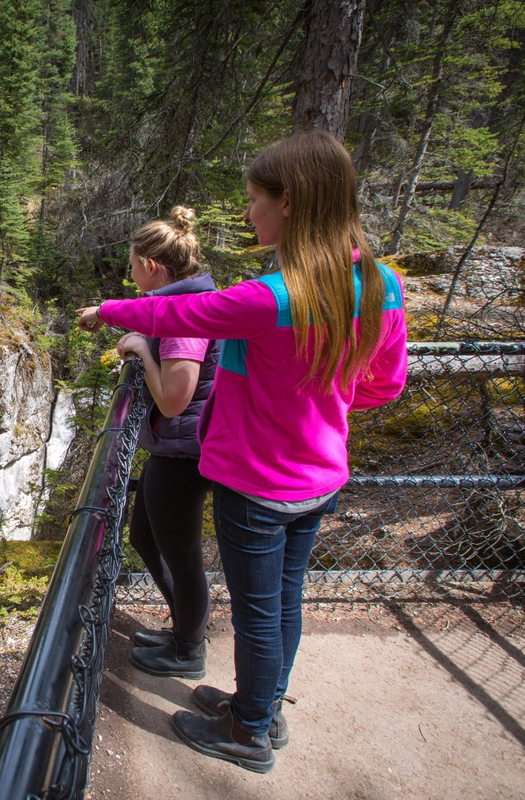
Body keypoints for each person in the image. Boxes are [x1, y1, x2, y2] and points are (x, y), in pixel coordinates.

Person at [77, 130, 408, 774]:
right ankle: (261, 705)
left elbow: (186, 314)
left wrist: (109, 312)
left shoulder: (273, 298)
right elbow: (384, 385)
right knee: (284, 601)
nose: (248, 212)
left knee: (258, 612)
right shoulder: (383, 284)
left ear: (289, 203)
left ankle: (249, 730)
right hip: (318, 474)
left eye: (256, 199)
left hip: (254, 478)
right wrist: (320, 402)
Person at [113, 206, 218, 681]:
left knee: (181, 554)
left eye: (132, 265)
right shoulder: (178, 306)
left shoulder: (183, 315)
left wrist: (139, 350)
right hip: (175, 447)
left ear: (151, 266)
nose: (130, 274)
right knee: (144, 537)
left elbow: (175, 398)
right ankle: (185, 630)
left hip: (185, 450)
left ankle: (188, 648)